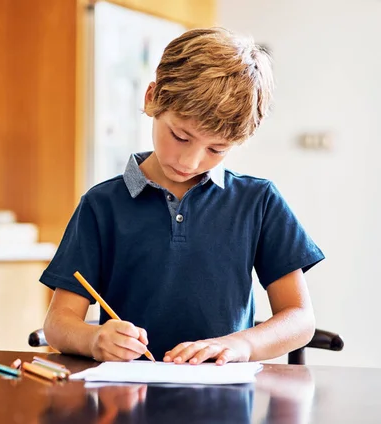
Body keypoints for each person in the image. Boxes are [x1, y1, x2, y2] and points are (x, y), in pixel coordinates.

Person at [39, 27, 323, 365]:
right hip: (125, 402)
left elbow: (299, 318)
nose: (190, 162)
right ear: (151, 98)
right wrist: (94, 338)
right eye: (180, 136)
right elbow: (58, 324)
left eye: (216, 149)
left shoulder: (258, 201)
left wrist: (242, 345)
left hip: (223, 404)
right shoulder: (101, 205)